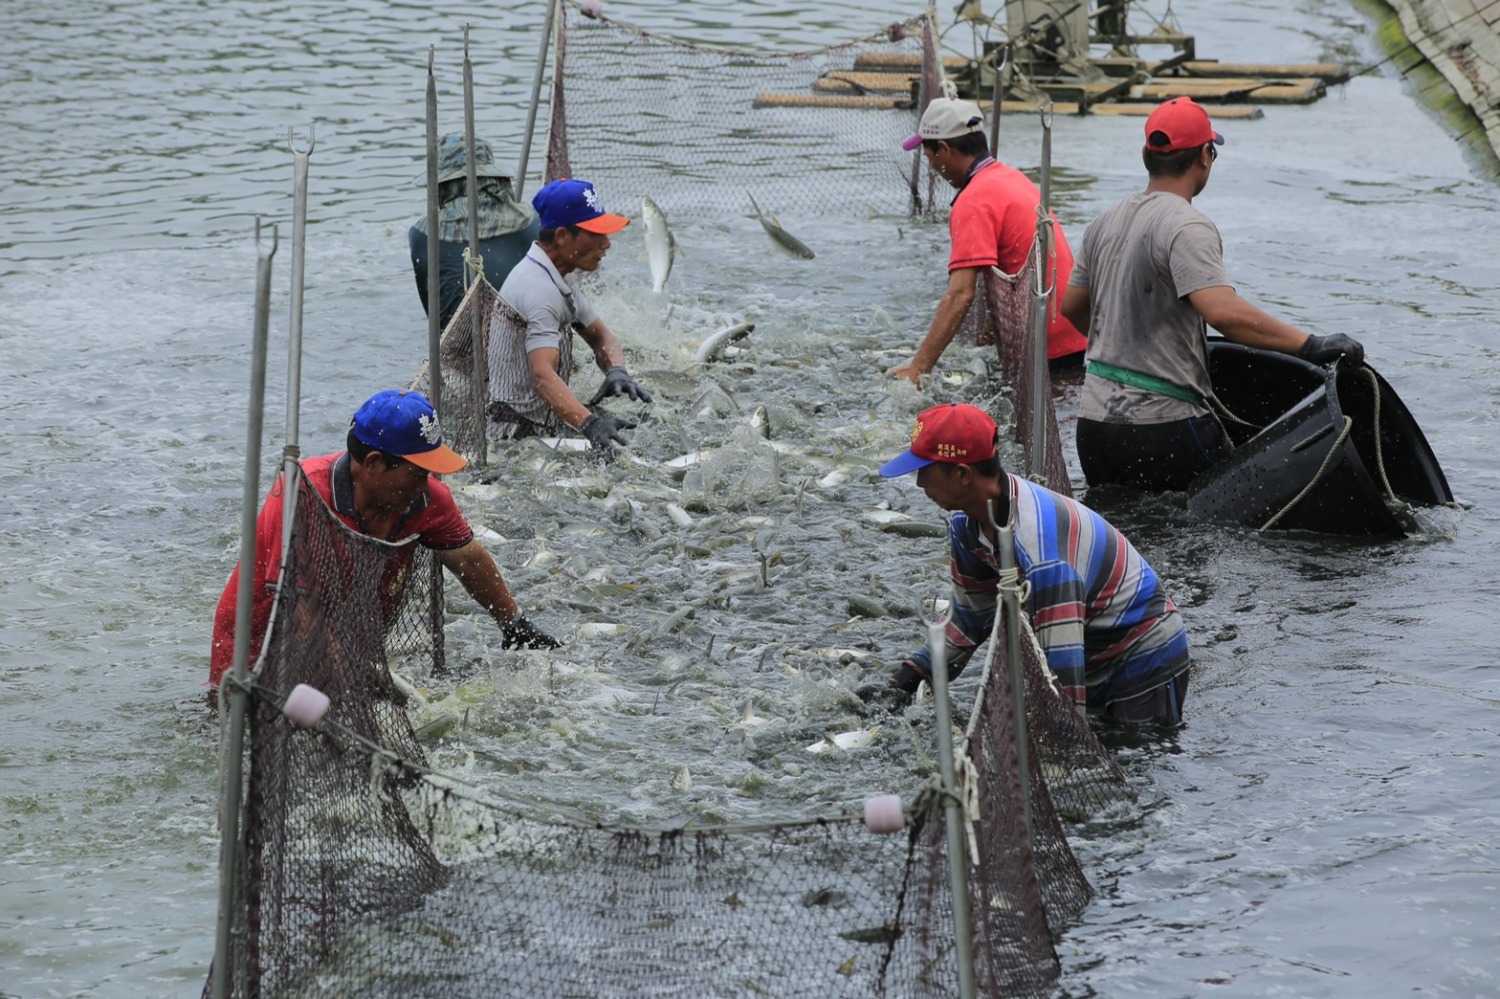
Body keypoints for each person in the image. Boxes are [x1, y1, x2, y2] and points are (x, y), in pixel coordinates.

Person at [1060, 96, 1365, 492]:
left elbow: (1071, 307)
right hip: (1163, 427)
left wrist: (1130, 344)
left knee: (1124, 544)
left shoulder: (1104, 221)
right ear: (1206, 156)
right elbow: (1222, 312)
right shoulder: (1187, 226)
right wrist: (1310, 344)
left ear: (1145, 155)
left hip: (1095, 427)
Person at [857, 403, 1191, 727]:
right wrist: (908, 679)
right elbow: (970, 617)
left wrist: (1058, 735)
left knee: (1133, 755)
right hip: (1093, 648)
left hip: (1145, 650)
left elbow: (1061, 669)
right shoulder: (968, 527)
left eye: (925, 472)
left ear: (962, 475)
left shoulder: (1042, 551)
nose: (919, 484)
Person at [209, 389, 558, 690]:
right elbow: (301, 609)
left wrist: (513, 622)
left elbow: (468, 559)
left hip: (349, 633)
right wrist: (351, 681)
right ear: (374, 463)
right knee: (243, 734)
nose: (426, 485)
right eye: (417, 472)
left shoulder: (424, 499)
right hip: (262, 636)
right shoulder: (304, 495)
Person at [891, 97, 1088, 386]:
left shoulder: (973, 200)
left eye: (929, 156)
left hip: (1044, 346)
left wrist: (918, 368)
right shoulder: (1010, 177)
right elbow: (1018, 258)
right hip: (1073, 330)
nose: (932, 167)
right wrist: (991, 323)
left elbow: (960, 294)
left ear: (944, 149)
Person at [489, 177, 654, 458]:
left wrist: (616, 370)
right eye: (596, 234)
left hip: (546, 422)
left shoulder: (559, 273)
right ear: (563, 237)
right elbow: (542, 377)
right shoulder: (538, 290)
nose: (606, 245)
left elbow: (600, 335)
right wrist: (591, 424)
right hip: (515, 439)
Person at [408, 134, 540, 330]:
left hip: (460, 346)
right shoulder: (532, 221)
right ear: (495, 178)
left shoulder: (422, 234)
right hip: (529, 336)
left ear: (440, 186)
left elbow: (433, 310)